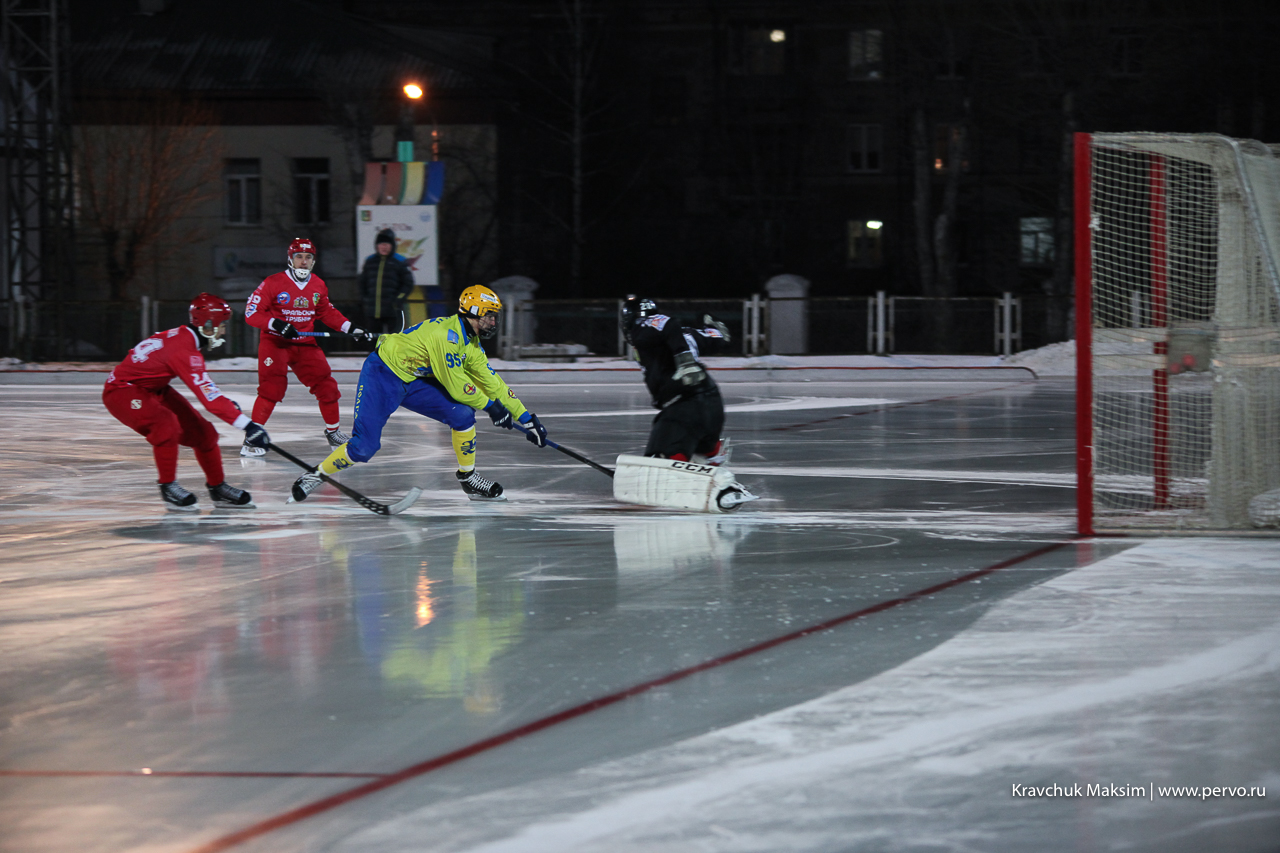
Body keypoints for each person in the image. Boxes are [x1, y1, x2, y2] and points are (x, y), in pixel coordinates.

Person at [288, 284, 549, 504]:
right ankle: (315, 475)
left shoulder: (470, 343)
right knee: (364, 447)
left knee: (462, 415)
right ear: (474, 312)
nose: (493, 321)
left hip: (413, 380)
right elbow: (458, 386)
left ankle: (469, 479)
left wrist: (526, 417)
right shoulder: (446, 337)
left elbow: (494, 383)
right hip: (384, 374)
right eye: (490, 315)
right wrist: (492, 407)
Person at [103, 293, 269, 512]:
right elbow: (209, 398)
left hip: (153, 389)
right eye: (222, 324)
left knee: (204, 433)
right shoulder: (184, 350)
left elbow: (208, 391)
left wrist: (228, 407)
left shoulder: (184, 339)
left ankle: (218, 488)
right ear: (209, 324)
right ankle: (168, 486)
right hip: (123, 391)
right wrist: (248, 427)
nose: (225, 331)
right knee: (165, 425)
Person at [241, 237, 374, 458]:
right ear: (290, 259)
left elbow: (327, 313)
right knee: (272, 388)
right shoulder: (273, 282)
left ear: (313, 261)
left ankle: (333, 433)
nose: (303, 261)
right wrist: (277, 324)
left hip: (304, 342)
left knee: (327, 386)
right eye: (299, 256)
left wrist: (351, 328)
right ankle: (252, 437)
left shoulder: (318, 285)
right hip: (275, 342)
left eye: (308, 257)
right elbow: (251, 313)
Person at [620, 295, 732, 464]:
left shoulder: (643, 328)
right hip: (712, 404)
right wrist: (709, 322)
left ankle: (686, 464)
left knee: (661, 460)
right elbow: (720, 336)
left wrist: (685, 360)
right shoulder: (686, 333)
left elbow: (664, 323)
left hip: (683, 406)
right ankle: (712, 453)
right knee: (700, 444)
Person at [359, 228, 416, 334]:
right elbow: (362, 282)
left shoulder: (400, 261)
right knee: (373, 340)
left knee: (393, 341)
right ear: (376, 245)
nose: (384, 247)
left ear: (392, 246)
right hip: (373, 311)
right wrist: (365, 299)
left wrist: (398, 298)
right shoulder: (370, 261)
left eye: (387, 244)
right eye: (381, 244)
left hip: (393, 311)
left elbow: (408, 283)